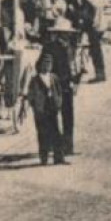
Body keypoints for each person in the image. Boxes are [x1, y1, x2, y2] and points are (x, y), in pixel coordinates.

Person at [37, 21, 79, 155]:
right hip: (62, 85)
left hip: (54, 85)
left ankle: (54, 144)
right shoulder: (68, 48)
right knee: (67, 116)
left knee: (52, 116)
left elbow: (40, 66)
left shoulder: (49, 47)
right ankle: (66, 146)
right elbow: (69, 68)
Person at [28, 52, 66, 165]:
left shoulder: (54, 78)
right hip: (41, 111)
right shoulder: (35, 79)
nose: (48, 66)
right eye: (45, 63)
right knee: (43, 134)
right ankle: (43, 158)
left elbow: (59, 92)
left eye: (50, 63)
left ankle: (59, 158)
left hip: (52, 108)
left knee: (56, 133)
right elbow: (31, 96)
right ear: (40, 65)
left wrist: (58, 104)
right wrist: (36, 108)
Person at [74, 0, 108, 82]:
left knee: (95, 50)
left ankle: (100, 74)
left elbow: (86, 15)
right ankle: (98, 72)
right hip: (101, 25)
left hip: (94, 27)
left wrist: (77, 16)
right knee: (95, 50)